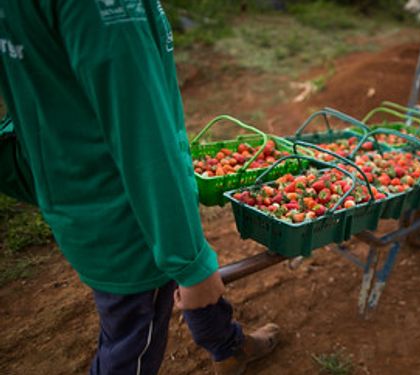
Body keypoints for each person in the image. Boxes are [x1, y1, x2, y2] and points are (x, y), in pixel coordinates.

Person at [0, 1, 279, 374]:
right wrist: (190, 263)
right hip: (130, 214)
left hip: (96, 200)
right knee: (131, 346)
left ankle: (228, 346)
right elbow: (144, 137)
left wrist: (59, 179)